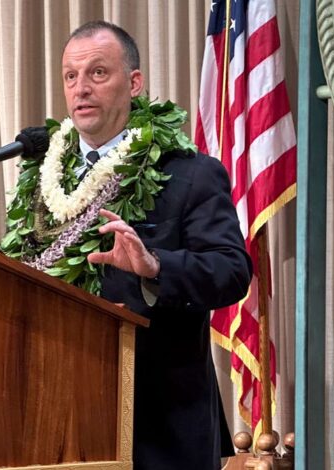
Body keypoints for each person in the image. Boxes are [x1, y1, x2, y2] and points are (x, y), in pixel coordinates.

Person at [60, 21, 252, 468]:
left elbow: (232, 271)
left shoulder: (191, 173)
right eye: (71, 76)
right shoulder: (45, 183)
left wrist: (155, 266)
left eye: (97, 73)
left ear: (134, 83)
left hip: (161, 426)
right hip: (64, 420)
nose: (81, 89)